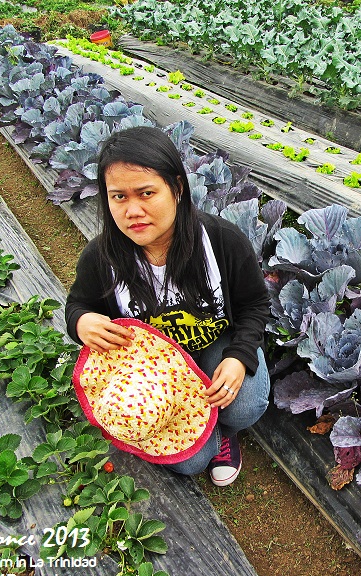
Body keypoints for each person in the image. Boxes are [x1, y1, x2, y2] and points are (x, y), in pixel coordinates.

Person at [65, 125, 270, 486]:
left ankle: (224, 429)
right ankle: (209, 437)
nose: (133, 211)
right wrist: (83, 322)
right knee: (191, 464)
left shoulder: (221, 242)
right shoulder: (101, 257)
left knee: (244, 404)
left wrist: (238, 357)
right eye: (119, 197)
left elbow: (254, 303)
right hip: (150, 365)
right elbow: (78, 305)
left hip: (215, 343)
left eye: (146, 193)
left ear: (176, 188)